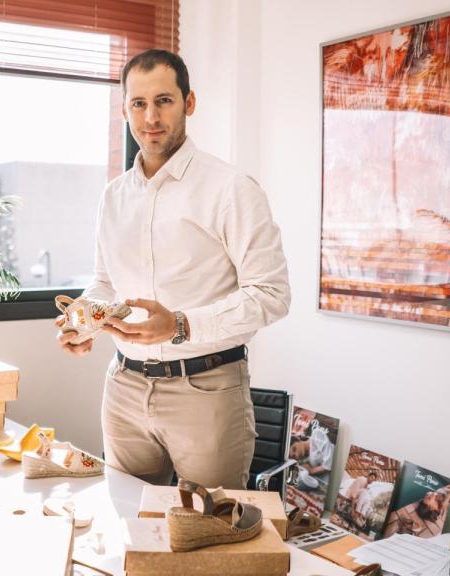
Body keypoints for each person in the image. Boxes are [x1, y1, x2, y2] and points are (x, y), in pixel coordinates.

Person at [56, 49, 290, 489]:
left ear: (190, 102)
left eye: (164, 100)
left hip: (206, 391)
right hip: (124, 387)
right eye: (138, 104)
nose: (151, 117)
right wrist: (83, 321)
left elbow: (271, 294)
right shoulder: (114, 196)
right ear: (125, 109)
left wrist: (180, 325)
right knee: (129, 529)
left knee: (210, 536)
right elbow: (107, 281)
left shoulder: (232, 189)